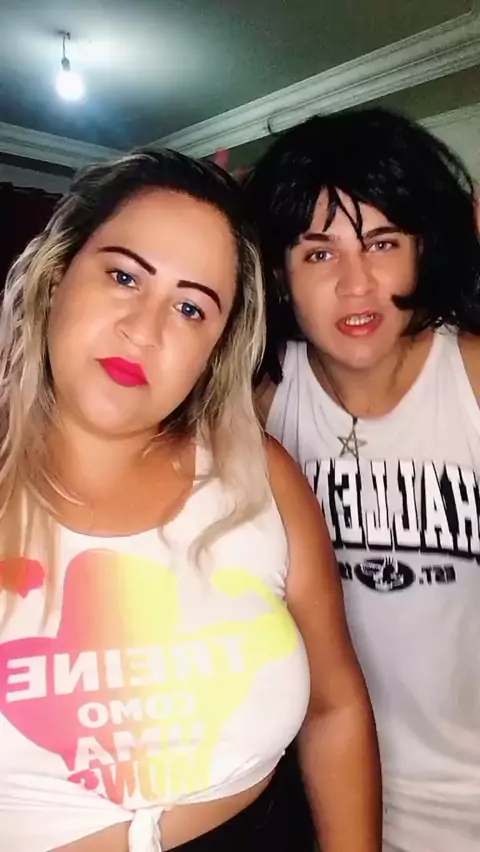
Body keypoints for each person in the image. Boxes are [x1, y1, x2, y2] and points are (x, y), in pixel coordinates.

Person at [0, 150, 380, 852]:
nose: (144, 330)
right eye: (123, 277)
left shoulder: (259, 475)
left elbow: (336, 707)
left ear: (218, 347)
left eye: (190, 307)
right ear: (56, 279)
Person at [244, 107, 480, 852]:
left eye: (382, 243)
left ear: (423, 250)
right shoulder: (258, 405)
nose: (357, 284)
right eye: (319, 253)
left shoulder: (472, 382)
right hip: (329, 806)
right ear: (280, 274)